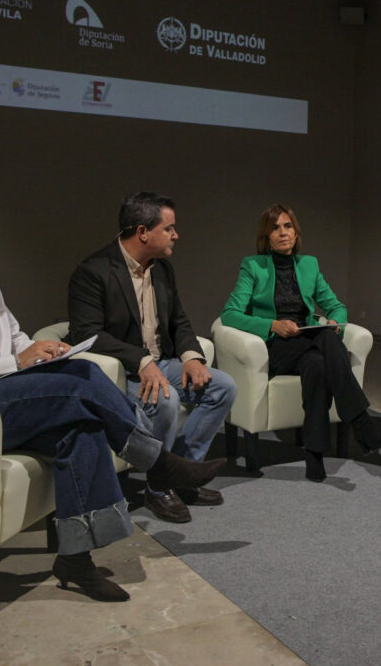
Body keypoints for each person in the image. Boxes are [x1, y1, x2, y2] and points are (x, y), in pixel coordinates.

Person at [0, 189, 224, 603]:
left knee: (80, 429)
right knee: (82, 376)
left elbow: (14, 337)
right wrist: (17, 361)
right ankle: (160, 463)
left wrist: (40, 350)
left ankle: (74, 560)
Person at [68, 192, 236, 523]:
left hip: (164, 363)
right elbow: (85, 334)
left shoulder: (162, 270)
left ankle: (184, 473)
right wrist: (142, 361)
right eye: (169, 228)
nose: (176, 235)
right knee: (167, 400)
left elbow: (179, 322)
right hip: (122, 372)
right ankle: (159, 487)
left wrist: (191, 357)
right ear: (143, 232)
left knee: (223, 386)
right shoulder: (93, 271)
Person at [220, 204, 381, 482]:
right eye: (275, 228)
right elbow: (229, 314)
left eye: (287, 226)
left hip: (309, 343)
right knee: (325, 339)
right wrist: (272, 325)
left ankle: (314, 457)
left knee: (317, 365)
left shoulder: (309, 265)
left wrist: (334, 322)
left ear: (296, 230)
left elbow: (336, 306)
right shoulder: (253, 266)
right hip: (276, 346)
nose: (282, 233)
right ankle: (361, 423)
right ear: (266, 236)